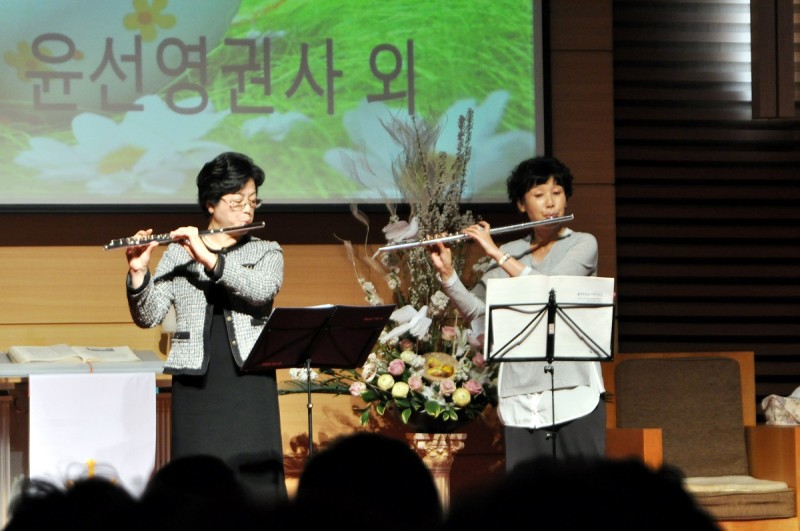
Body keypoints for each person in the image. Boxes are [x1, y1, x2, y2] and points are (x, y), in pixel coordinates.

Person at [125, 151, 287, 508]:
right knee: (196, 490)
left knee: (255, 486)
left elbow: (261, 290)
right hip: (197, 382)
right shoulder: (178, 254)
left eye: (253, 202)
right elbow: (149, 315)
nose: (248, 210)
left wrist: (209, 258)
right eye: (237, 201)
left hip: (250, 380)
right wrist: (139, 272)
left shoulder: (266, 251)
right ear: (211, 204)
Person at [428, 155, 604, 472]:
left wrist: (496, 251)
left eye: (557, 192)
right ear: (522, 205)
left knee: (583, 496)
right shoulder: (511, 255)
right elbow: (478, 314)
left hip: (575, 390)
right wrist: (449, 276)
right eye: (539, 195)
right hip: (521, 393)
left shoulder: (583, 244)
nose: (550, 203)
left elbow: (550, 289)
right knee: (527, 503)